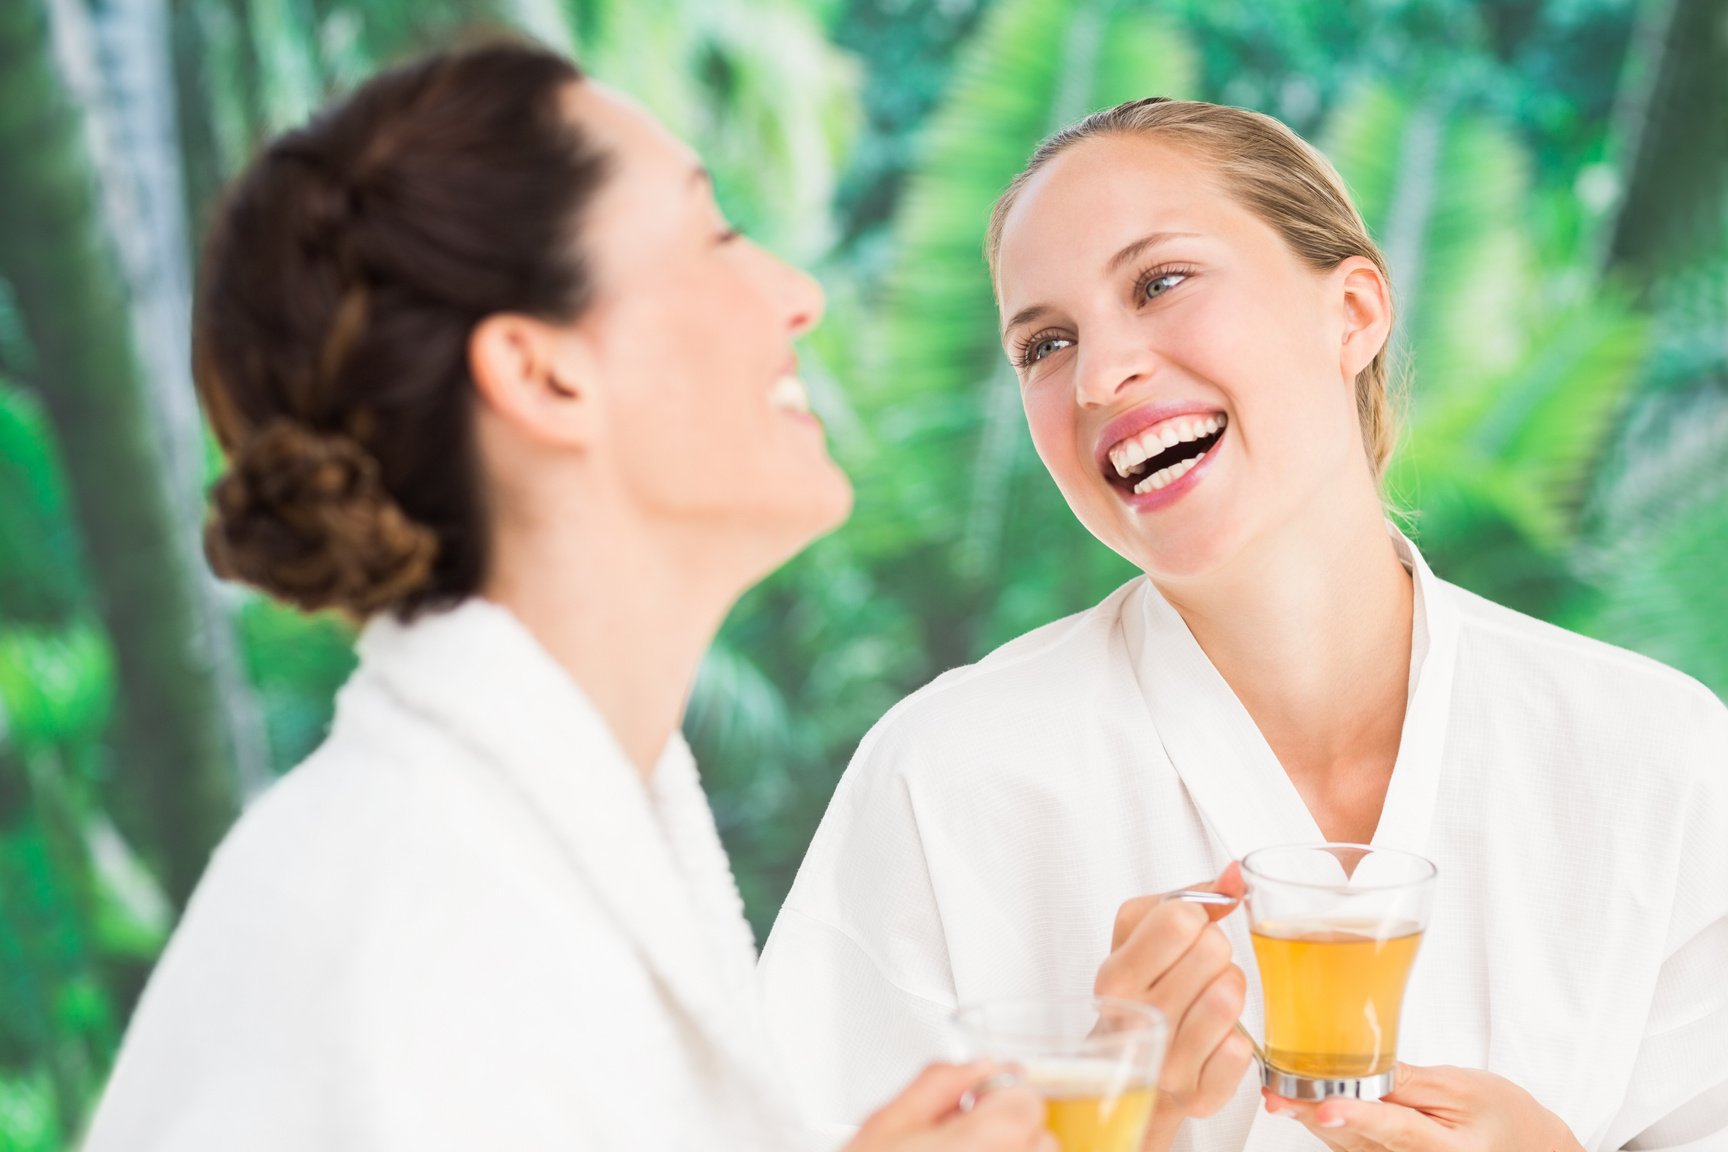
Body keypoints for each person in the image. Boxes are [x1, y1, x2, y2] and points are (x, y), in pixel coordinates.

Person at [80, 40, 1055, 1152]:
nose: (796, 294)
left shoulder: (529, 867)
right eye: (715, 235)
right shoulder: (400, 912)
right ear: (545, 375)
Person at [757, 97, 1728, 1152]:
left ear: (1352, 313)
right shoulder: (944, 781)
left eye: (1160, 282)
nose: (1098, 375)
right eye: (1044, 343)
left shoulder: (1654, 757)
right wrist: (1118, 1130)